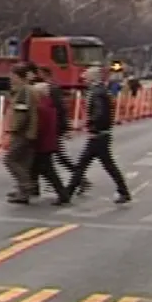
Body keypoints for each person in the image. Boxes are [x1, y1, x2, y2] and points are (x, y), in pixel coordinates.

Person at [64, 65, 132, 204]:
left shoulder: (96, 92)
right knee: (96, 164)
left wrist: (90, 124)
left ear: (92, 77)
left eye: (86, 75)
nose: (84, 78)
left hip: (99, 134)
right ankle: (67, 192)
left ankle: (67, 193)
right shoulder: (101, 90)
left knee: (89, 164)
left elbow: (99, 113)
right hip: (101, 134)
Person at [30, 78, 70, 205]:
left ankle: (63, 194)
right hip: (48, 142)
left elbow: (39, 127)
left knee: (48, 171)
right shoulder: (49, 105)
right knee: (35, 167)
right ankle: (31, 189)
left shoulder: (41, 107)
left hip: (42, 143)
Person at [4, 64, 39, 204]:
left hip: (23, 132)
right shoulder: (28, 90)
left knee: (10, 160)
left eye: (13, 76)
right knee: (24, 162)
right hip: (29, 132)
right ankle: (23, 192)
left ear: (19, 77)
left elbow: (21, 112)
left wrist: (13, 129)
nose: (11, 78)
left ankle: (26, 185)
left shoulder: (24, 91)